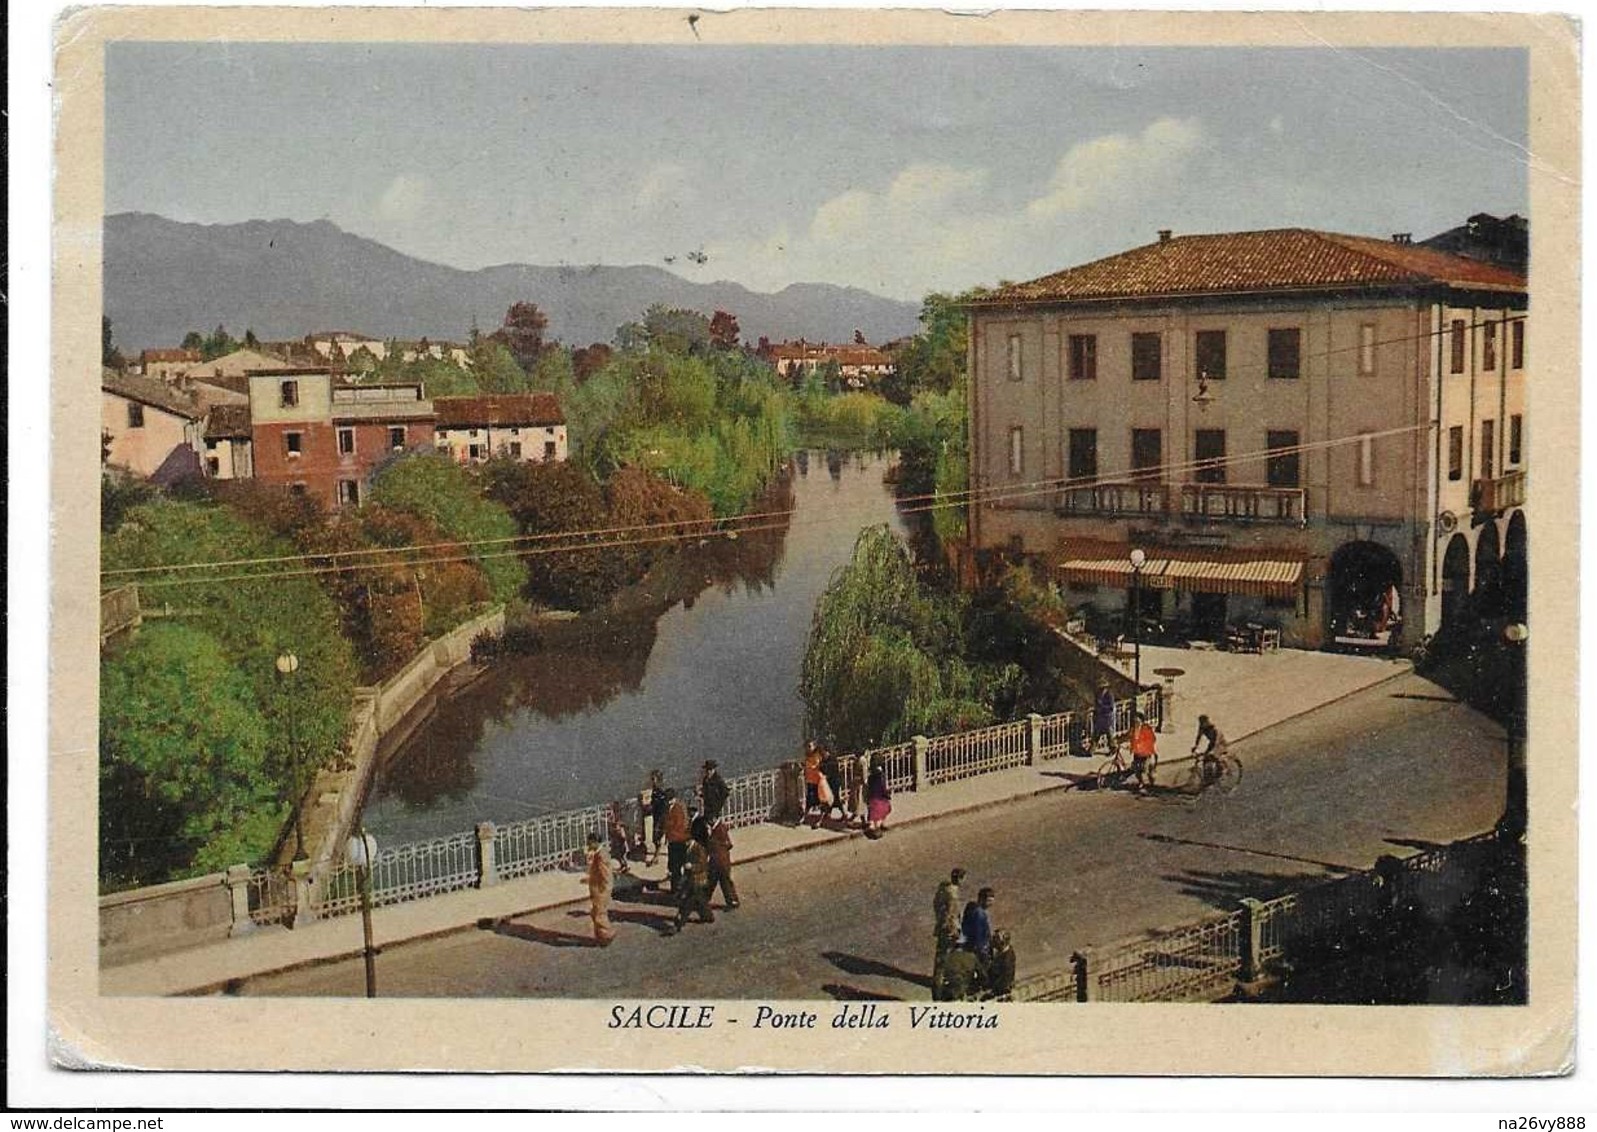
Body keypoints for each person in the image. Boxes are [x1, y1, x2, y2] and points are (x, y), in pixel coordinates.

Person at [674, 816, 716, 929]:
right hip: (691, 879)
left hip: (698, 879)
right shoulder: (688, 849)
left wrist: (691, 866)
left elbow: (703, 865)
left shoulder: (699, 849)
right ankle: (708, 916)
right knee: (700, 900)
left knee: (687, 901)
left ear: (690, 840)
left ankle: (679, 922)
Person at [931, 867, 966, 1001]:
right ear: (960, 879)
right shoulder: (952, 894)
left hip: (941, 928)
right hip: (949, 930)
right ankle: (939, 992)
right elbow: (951, 914)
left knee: (940, 959)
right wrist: (954, 930)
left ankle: (939, 987)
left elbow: (937, 907)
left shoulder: (942, 890)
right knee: (945, 960)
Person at [583, 833, 616, 946]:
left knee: (599, 914)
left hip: (601, 890)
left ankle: (607, 935)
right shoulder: (599, 854)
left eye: (590, 842)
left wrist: (604, 890)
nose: (588, 844)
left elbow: (605, 874)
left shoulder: (601, 855)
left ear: (595, 842)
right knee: (596, 913)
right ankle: (601, 935)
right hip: (598, 888)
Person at [662, 788, 692, 893]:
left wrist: (668, 827)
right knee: (674, 866)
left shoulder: (677, 808)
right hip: (673, 840)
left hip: (678, 840)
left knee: (677, 865)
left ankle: (679, 888)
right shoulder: (669, 808)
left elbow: (678, 824)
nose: (667, 801)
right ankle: (676, 888)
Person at [708, 818, 741, 910]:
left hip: (719, 861)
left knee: (722, 881)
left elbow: (727, 843)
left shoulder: (720, 828)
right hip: (719, 860)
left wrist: (717, 849)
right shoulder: (716, 828)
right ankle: (732, 900)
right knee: (714, 881)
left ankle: (733, 901)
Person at [1191, 714, 1229, 785]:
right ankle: (1207, 779)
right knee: (1205, 760)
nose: (1201, 724)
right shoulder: (1202, 728)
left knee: (1214, 756)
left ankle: (1222, 769)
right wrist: (1195, 746)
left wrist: (1209, 752)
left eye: (1203, 723)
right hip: (1212, 743)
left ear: (1207, 722)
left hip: (1220, 743)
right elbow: (1199, 737)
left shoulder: (1214, 729)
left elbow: (1215, 742)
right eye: (1200, 723)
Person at [1129, 712, 1158, 794]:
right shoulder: (1133, 729)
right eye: (1135, 722)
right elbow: (1128, 736)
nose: (1136, 724)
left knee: (1147, 770)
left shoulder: (1146, 729)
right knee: (1137, 770)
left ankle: (1152, 783)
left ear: (1142, 721)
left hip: (1146, 753)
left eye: (1138, 722)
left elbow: (1152, 739)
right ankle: (1141, 782)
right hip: (1137, 753)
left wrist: (1142, 745)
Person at [864, 755, 892, 838]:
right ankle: (878, 826)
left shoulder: (871, 775)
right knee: (886, 809)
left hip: (872, 797)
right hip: (880, 797)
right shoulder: (881, 775)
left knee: (873, 814)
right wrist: (887, 794)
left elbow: (868, 786)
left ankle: (872, 827)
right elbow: (883, 787)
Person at [644, 769, 667, 865]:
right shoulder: (656, 789)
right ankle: (656, 855)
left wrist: (650, 807)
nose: (652, 781)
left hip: (660, 817)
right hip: (657, 816)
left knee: (656, 837)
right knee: (656, 838)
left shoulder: (660, 791)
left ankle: (656, 857)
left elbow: (662, 805)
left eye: (653, 779)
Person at [700, 760, 730, 825]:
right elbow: (705, 791)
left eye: (710, 770)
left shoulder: (718, 780)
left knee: (714, 825)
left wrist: (719, 802)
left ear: (714, 769)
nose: (708, 772)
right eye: (707, 770)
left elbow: (725, 792)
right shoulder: (705, 780)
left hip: (715, 807)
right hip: (707, 807)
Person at [820, 746, 845, 821]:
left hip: (835, 782)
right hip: (828, 783)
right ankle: (828, 814)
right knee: (828, 799)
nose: (823, 754)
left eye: (824, 752)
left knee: (835, 798)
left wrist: (827, 775)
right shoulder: (823, 760)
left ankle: (843, 813)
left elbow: (834, 771)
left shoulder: (832, 760)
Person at [801, 741, 824, 821]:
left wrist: (809, 766)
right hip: (809, 780)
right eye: (807, 746)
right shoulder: (807, 756)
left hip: (817, 781)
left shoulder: (817, 755)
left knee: (819, 799)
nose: (808, 748)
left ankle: (821, 817)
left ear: (814, 746)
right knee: (809, 799)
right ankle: (805, 816)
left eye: (810, 746)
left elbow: (817, 766)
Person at [1093, 680, 1117, 753]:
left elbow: (1111, 707)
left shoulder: (1109, 695)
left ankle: (1113, 749)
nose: (1101, 690)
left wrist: (1102, 706)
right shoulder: (1098, 695)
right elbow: (1096, 705)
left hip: (1108, 717)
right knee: (1096, 734)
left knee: (1109, 735)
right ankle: (1092, 749)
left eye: (1103, 688)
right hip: (1100, 717)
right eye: (1100, 688)